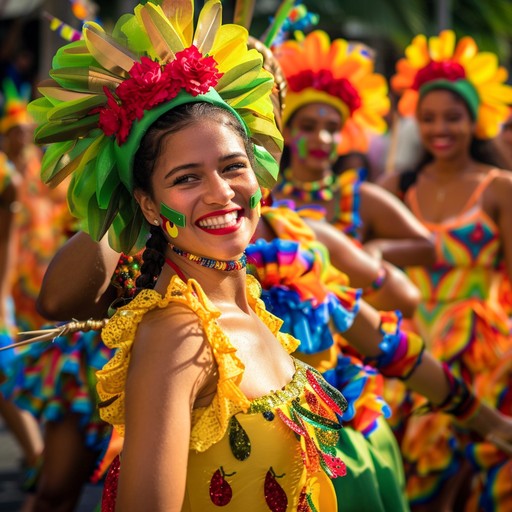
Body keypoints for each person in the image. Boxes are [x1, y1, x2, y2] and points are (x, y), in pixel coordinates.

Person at [378, 29, 512, 511]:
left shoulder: (500, 188)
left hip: (482, 353)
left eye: (453, 117)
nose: (440, 129)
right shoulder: (395, 185)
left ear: (475, 121)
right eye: (429, 118)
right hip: (407, 346)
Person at [271, 30, 436, 306]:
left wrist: (376, 249)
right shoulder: (266, 197)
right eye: (308, 127)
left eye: (332, 129)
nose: (321, 138)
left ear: (343, 136)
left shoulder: (362, 198)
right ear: (286, 132)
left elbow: (428, 248)